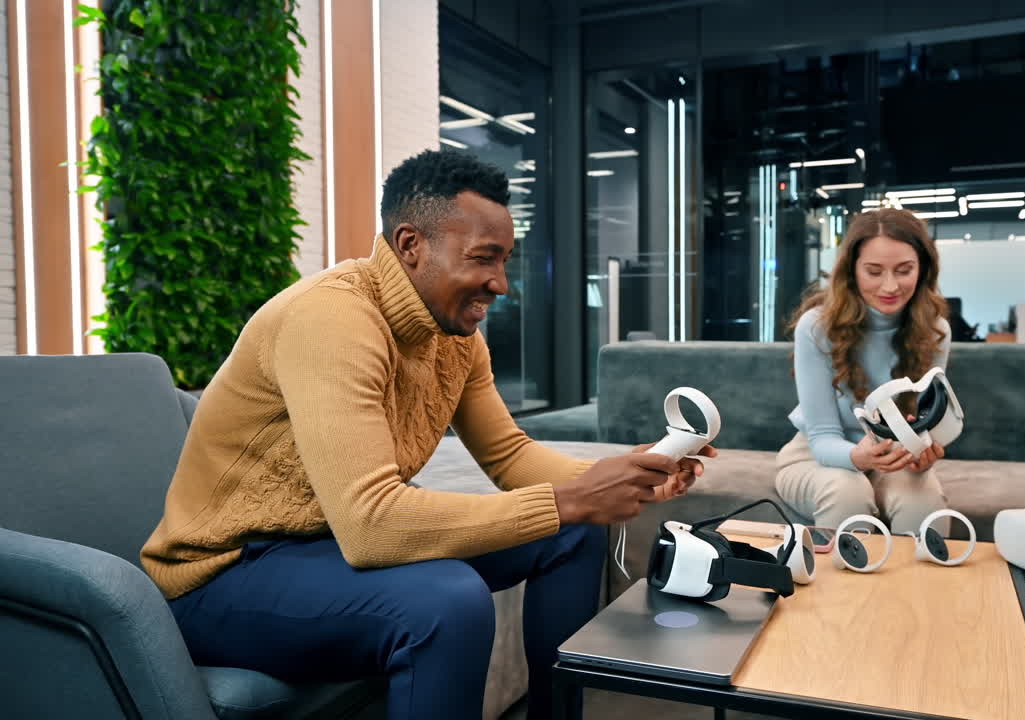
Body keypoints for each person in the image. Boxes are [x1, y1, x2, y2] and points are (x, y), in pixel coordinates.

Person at [140, 148, 712, 720]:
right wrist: (569, 499)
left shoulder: (455, 337)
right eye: (484, 259)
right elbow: (371, 526)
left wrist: (628, 474)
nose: (502, 284)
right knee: (448, 601)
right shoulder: (331, 319)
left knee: (572, 533)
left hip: (326, 550)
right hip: (223, 577)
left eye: (506, 260)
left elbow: (510, 455)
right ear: (411, 245)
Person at [775, 208, 952, 535]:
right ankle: (840, 588)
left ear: (922, 269)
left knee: (922, 505)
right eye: (874, 271)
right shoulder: (816, 327)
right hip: (815, 457)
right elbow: (823, 438)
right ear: (851, 271)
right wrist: (858, 457)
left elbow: (924, 424)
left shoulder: (935, 330)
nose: (890, 286)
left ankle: (923, 587)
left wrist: (923, 451)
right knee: (847, 492)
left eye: (904, 270)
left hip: (892, 455)